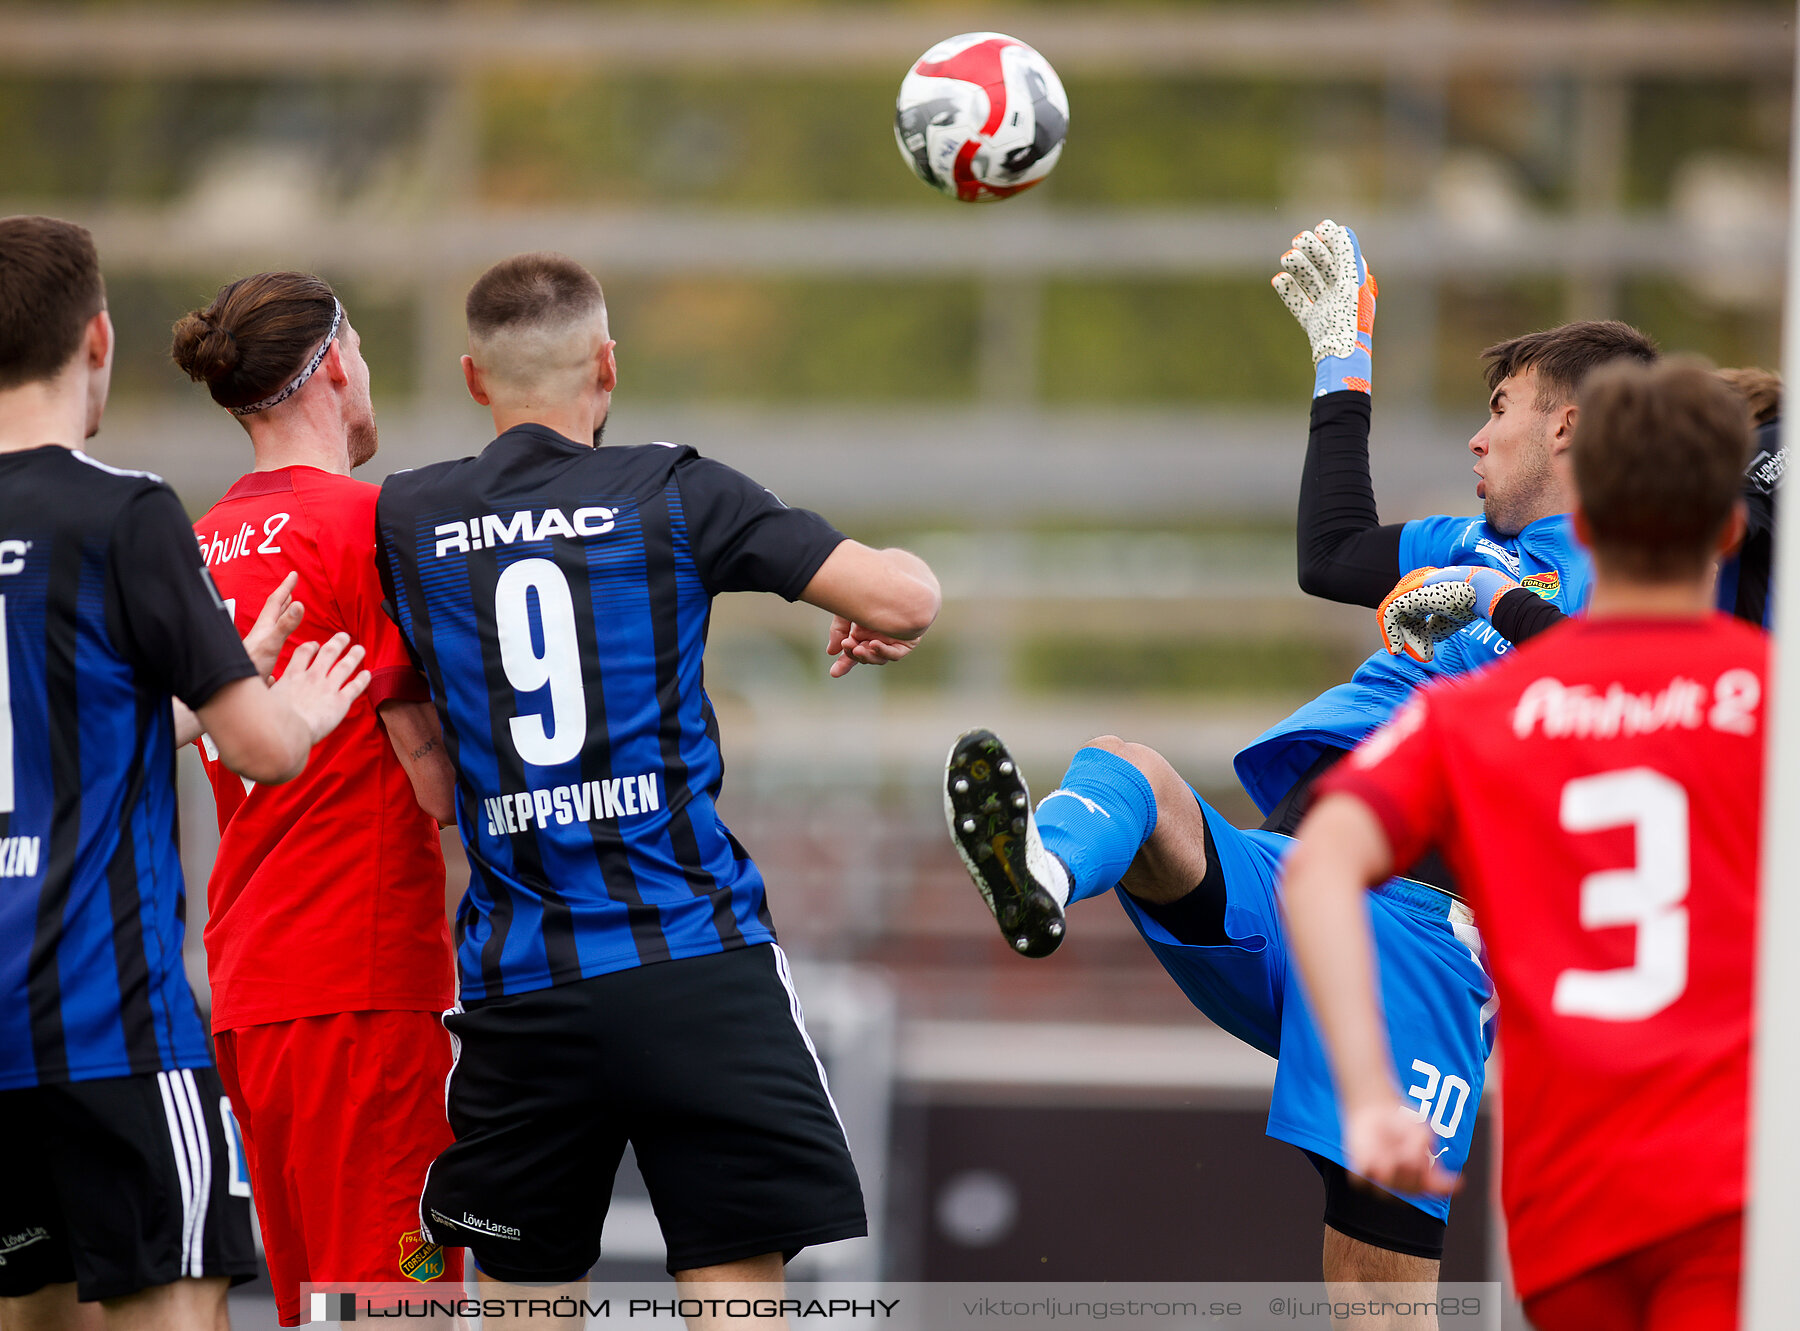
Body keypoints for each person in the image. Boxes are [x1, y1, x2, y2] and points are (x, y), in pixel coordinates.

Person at [944, 220, 1658, 1291]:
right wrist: (1342, 366)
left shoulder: (1639, 565)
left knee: (1371, 1281)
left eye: (1497, 411)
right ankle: (1038, 876)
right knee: (1129, 771)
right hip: (1301, 879)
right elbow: (1329, 554)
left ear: (1568, 428)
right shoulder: (1467, 545)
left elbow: (1628, 686)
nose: (1475, 438)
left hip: (1422, 933)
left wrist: (1500, 606)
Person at [374, 252, 941, 1314]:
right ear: (609, 365)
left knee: (525, 1296)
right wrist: (867, 602)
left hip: (523, 978)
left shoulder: (407, 522)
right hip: (692, 957)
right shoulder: (676, 490)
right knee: (732, 1287)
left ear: (472, 377)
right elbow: (906, 598)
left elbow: (429, 768)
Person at [1281, 358, 1761, 1331]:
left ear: (1583, 519)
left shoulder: (1489, 707)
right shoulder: (1768, 700)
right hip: (1727, 1177)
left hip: (1565, 1194)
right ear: (1729, 531)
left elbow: (1322, 859)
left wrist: (1371, 1094)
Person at [0, 217, 371, 1331]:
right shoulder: (125, 509)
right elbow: (262, 749)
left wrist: (224, 671)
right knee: (175, 1304)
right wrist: (288, 704)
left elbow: (58, 743)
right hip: (106, 1023)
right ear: (97, 339)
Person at [169, 272, 463, 1327]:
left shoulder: (192, 545)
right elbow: (434, 783)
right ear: (338, 360)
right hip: (365, 983)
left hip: (248, 988)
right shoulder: (373, 526)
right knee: (395, 1303)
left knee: (311, 1306)